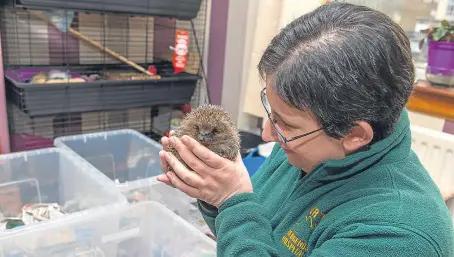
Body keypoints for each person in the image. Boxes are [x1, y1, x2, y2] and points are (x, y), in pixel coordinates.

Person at [157, 2, 454, 256]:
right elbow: (253, 229)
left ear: (355, 135)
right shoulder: (308, 144)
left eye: (285, 123)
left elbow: (242, 212)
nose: (267, 135)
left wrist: (231, 199)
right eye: (271, 112)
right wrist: (215, 195)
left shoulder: (398, 236)